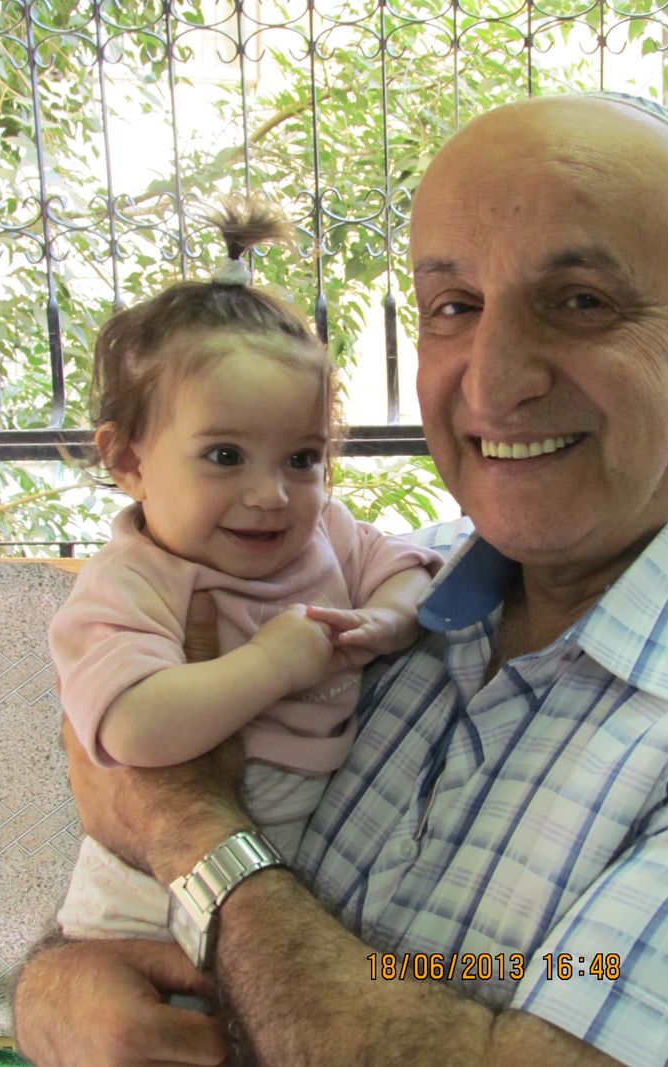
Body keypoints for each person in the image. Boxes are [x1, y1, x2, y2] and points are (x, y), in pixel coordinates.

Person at [14, 92, 668, 1067]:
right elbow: (107, 903)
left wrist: (189, 826)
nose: (493, 381)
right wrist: (56, 991)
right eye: (454, 307)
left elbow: (156, 808)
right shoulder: (387, 590)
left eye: (579, 302)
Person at [48, 196, 441, 941]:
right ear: (128, 460)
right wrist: (271, 664)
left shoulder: (324, 532)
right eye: (225, 456)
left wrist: (388, 618)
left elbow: (407, 568)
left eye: (302, 458)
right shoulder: (130, 582)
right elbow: (133, 728)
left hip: (297, 864)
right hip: (146, 896)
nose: (271, 495)